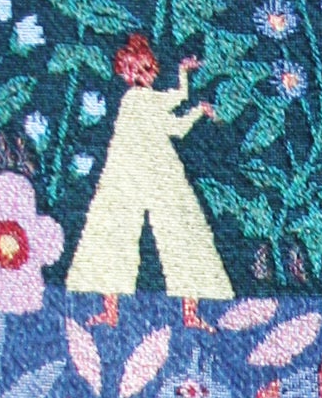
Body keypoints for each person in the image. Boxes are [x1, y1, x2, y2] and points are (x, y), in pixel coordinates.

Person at [66, 35, 231, 327]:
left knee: (174, 232)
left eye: (147, 68)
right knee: (134, 233)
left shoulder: (140, 100)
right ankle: (117, 310)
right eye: (136, 70)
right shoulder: (136, 101)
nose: (143, 75)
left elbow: (175, 107)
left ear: (152, 68)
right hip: (139, 173)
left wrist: (186, 81)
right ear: (126, 74)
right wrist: (197, 108)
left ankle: (184, 313)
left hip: (146, 171)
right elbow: (176, 118)